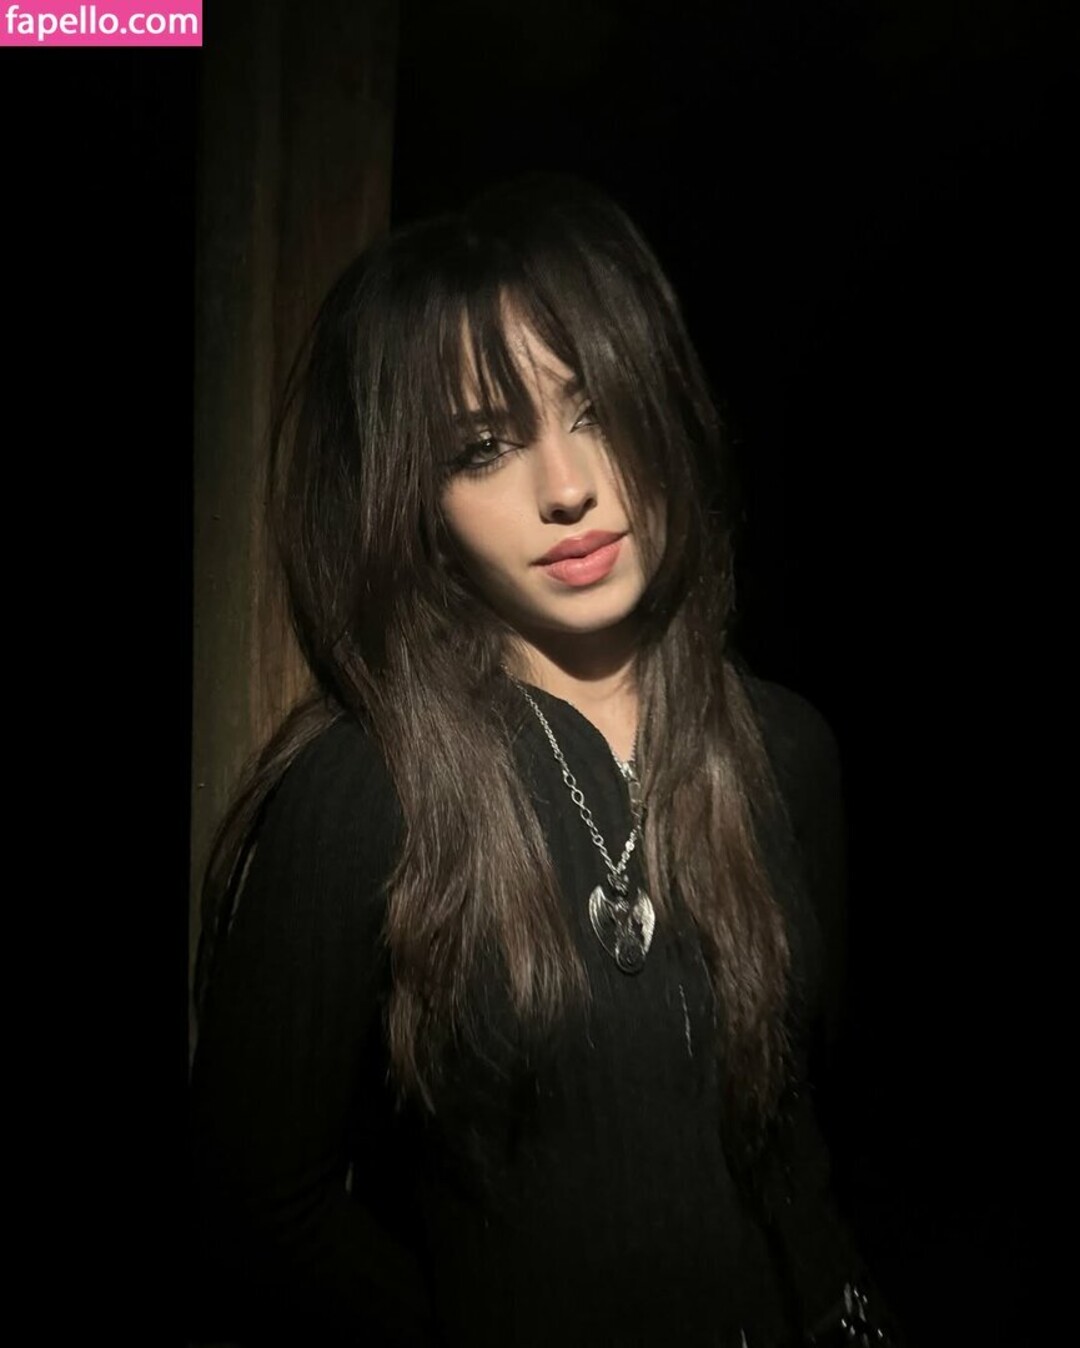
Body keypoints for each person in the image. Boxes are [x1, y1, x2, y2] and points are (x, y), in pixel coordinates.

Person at [189, 172, 901, 1347]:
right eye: (482, 447)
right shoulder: (363, 792)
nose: (567, 489)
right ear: (419, 503)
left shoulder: (787, 748)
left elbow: (818, 1140)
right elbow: (256, 1209)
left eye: (596, 408)